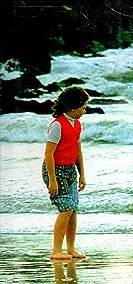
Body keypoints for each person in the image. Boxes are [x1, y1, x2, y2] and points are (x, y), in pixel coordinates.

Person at [42, 86, 89, 260]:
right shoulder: (57, 125)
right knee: (66, 209)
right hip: (55, 170)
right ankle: (55, 250)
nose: (85, 110)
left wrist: (82, 174)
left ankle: (70, 248)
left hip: (70, 170)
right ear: (72, 108)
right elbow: (48, 154)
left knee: (73, 210)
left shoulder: (77, 124)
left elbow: (78, 150)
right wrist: (52, 180)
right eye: (83, 107)